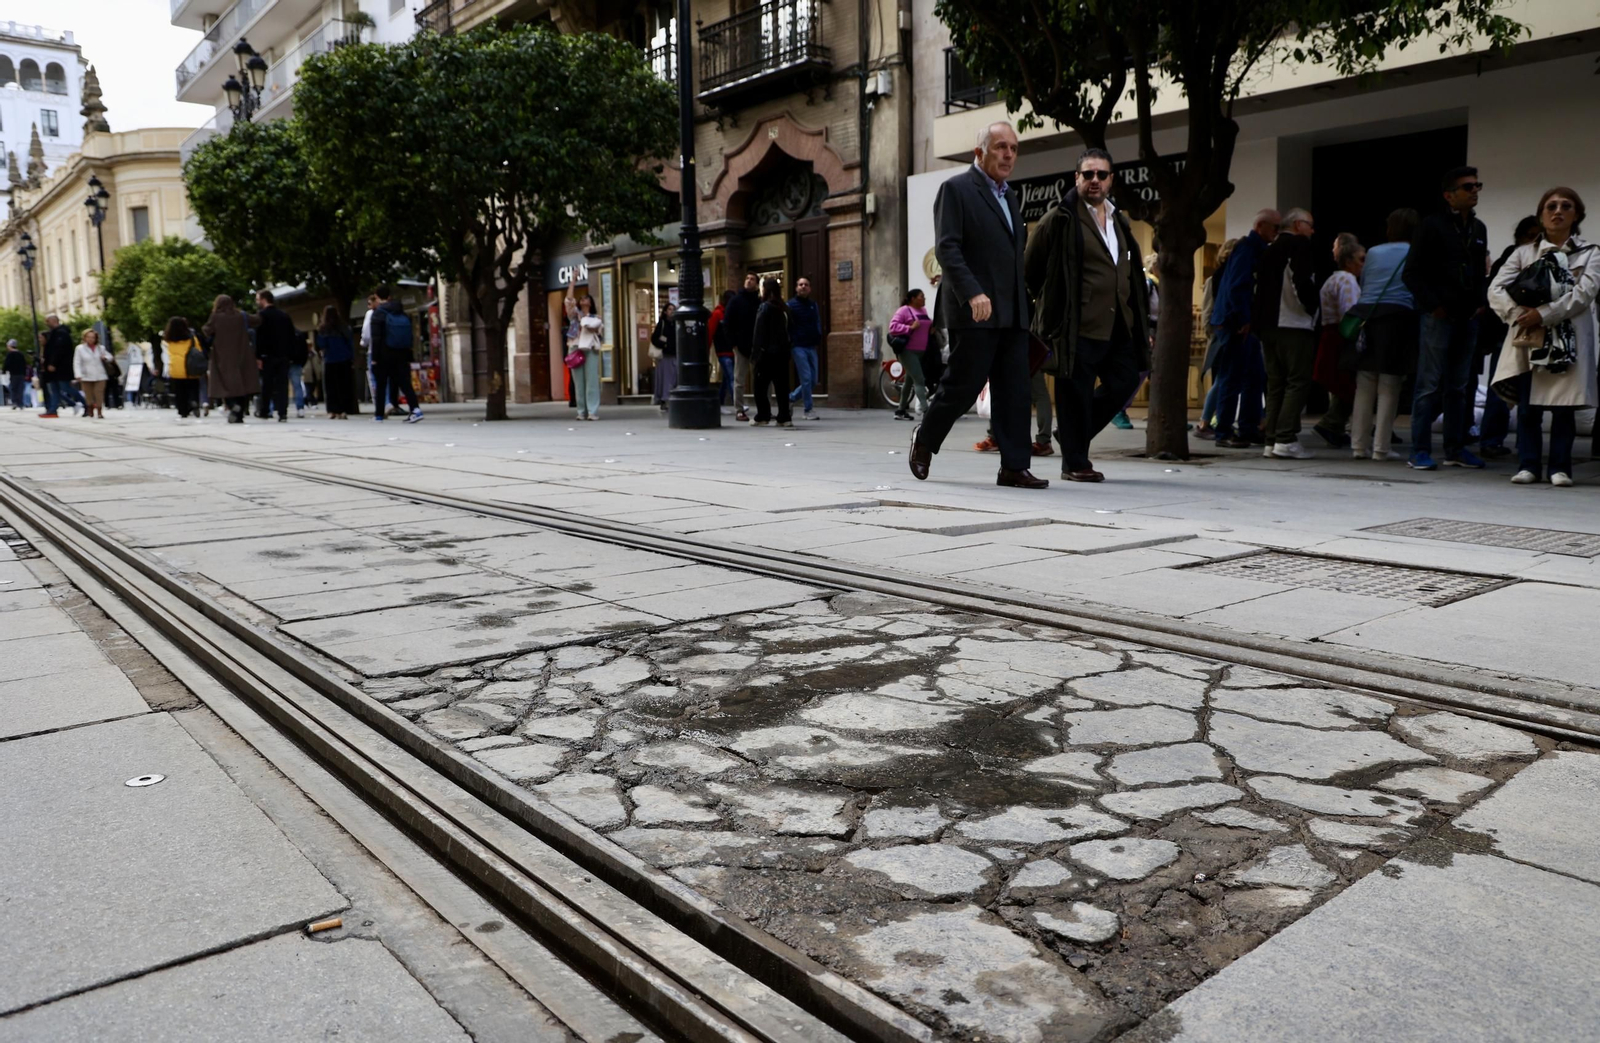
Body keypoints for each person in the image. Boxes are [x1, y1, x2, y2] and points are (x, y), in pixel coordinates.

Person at [911, 122, 1044, 488]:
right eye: (1000, 146)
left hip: (1012, 312)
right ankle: (925, 438)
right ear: (979, 152)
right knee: (963, 386)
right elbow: (947, 248)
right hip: (975, 309)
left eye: (1013, 148)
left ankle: (1014, 467)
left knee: (1015, 390)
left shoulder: (1010, 196)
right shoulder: (956, 189)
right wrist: (972, 292)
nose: (1008, 154)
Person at [1024, 146, 1150, 483]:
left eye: (1101, 174)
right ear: (1077, 178)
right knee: (1074, 393)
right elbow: (1031, 269)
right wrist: (1051, 307)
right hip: (1074, 323)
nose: (1095, 180)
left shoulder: (1120, 220)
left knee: (1126, 380)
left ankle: (1071, 435)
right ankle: (1075, 463)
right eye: (1088, 174)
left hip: (1118, 322)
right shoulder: (1060, 218)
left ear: (1111, 179)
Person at [1490, 187, 1597, 487]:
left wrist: (1544, 314)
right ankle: (1529, 465)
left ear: (1577, 215)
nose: (1557, 211)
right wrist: (1519, 315)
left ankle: (1560, 468)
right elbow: (1496, 289)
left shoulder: (1591, 253)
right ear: (1541, 215)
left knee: (1564, 407)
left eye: (1565, 206)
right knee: (1528, 405)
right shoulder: (1523, 253)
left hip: (1568, 338)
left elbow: (1585, 293)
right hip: (1530, 337)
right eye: (1551, 206)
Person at [1402, 166, 1489, 471]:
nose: (1474, 191)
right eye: (1467, 187)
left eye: (1477, 185)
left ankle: (1455, 448)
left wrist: (1481, 302)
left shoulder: (1478, 229)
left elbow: (1480, 271)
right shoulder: (1431, 226)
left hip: (1468, 316)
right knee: (1428, 385)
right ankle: (1419, 450)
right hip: (1438, 316)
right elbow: (1411, 273)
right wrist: (1433, 306)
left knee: (1459, 387)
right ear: (1449, 195)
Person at [1349, 209, 1421, 461]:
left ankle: (1358, 446)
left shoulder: (1373, 252)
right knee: (1390, 384)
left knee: (1364, 382)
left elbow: (1364, 284)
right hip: (1398, 318)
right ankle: (1381, 447)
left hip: (1367, 316)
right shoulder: (1414, 251)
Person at [1208, 211, 1279, 448]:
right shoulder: (1248, 249)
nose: (1277, 232)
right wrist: (1243, 319)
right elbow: (1237, 286)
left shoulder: (1252, 249)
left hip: (1238, 322)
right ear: (1261, 226)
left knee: (1252, 377)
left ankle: (1246, 427)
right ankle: (1224, 431)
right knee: (1233, 377)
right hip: (1236, 324)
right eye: (1274, 227)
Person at [1254, 207, 1321, 459]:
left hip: (1268, 326)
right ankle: (1285, 438)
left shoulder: (1268, 249)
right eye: (1309, 224)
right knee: (1297, 381)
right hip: (1293, 324)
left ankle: (1271, 440)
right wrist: (1313, 309)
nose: (1312, 230)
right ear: (1297, 225)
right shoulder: (1298, 245)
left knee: (1275, 384)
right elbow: (1302, 282)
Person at [1474, 215, 1542, 458]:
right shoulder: (1512, 258)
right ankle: (1492, 440)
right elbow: (1495, 295)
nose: (1534, 241)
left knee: (1526, 389)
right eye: (1530, 236)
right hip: (1507, 331)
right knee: (1502, 385)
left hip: (1528, 328)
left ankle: (1516, 442)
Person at [1313, 233, 1365, 447]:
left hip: (1331, 334)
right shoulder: (1347, 280)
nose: (1363, 264)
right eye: (1361, 259)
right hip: (1341, 336)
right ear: (1349, 260)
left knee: (1340, 383)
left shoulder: (1332, 279)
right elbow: (1349, 312)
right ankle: (1331, 423)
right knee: (1347, 383)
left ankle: (1335, 425)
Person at [1195, 238, 1239, 439]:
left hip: (1221, 333)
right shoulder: (1216, 279)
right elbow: (1207, 310)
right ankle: (1206, 421)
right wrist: (1212, 333)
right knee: (1222, 379)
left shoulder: (1222, 277)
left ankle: (1212, 420)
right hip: (1221, 334)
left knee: (1224, 379)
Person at [370, 285, 423, 423]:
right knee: (405, 383)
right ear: (389, 296)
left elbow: (376, 338)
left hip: (384, 353)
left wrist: (374, 358)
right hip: (401, 353)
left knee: (381, 384)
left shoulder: (378, 314)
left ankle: (379, 415)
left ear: (377, 296)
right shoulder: (401, 311)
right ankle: (415, 409)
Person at [203, 295, 261, 423]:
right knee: (242, 383)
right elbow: (257, 320)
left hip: (222, 354)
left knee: (224, 383)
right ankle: (239, 413)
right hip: (242, 353)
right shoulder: (241, 316)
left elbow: (207, 330)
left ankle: (232, 405)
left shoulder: (216, 316)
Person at [750, 276, 793, 427]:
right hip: (782, 353)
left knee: (760, 387)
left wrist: (756, 354)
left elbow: (759, 332)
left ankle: (763, 415)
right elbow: (790, 330)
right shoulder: (785, 308)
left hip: (766, 354)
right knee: (782, 387)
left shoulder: (765, 307)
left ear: (765, 290)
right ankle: (784, 417)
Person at [888, 289, 933, 419]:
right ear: (913, 299)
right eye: (921, 297)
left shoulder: (923, 311)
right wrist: (909, 328)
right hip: (908, 351)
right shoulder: (904, 310)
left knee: (909, 381)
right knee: (919, 380)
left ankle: (900, 411)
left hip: (921, 351)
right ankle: (927, 412)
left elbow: (925, 326)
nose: (924, 299)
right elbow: (893, 327)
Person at [252, 290, 295, 422]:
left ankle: (265, 410)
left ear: (263, 299)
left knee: (267, 385)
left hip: (267, 355)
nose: (257, 302)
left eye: (258, 299)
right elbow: (291, 336)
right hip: (283, 355)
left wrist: (258, 356)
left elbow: (259, 337)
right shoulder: (284, 316)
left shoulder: (261, 316)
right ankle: (282, 412)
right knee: (282, 385)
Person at [786, 276, 823, 420]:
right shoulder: (790, 305)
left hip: (811, 345)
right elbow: (787, 325)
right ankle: (808, 409)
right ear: (796, 288)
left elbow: (817, 321)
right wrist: (791, 341)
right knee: (806, 378)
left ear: (810, 288)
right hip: (798, 346)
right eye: (800, 284)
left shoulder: (813, 305)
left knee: (813, 380)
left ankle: (791, 398)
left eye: (806, 284)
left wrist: (818, 335)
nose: (803, 286)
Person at [724, 273, 760, 422]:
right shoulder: (736, 300)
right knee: (739, 379)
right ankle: (739, 409)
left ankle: (764, 408)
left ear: (757, 284)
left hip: (757, 346)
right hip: (740, 346)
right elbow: (727, 322)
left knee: (761, 378)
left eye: (752, 279)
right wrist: (733, 343)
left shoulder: (759, 301)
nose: (749, 281)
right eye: (747, 279)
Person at [564, 291, 604, 421]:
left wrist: (587, 321)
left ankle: (592, 411)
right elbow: (569, 300)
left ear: (590, 302)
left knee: (591, 380)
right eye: (581, 298)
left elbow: (598, 332)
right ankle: (581, 411)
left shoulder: (596, 317)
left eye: (586, 298)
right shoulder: (574, 314)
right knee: (578, 382)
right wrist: (573, 281)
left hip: (590, 347)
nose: (582, 300)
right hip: (576, 347)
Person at [161, 316, 205, 421]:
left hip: (176, 368)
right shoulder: (191, 338)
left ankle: (183, 410)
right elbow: (198, 350)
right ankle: (194, 401)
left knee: (180, 391)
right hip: (190, 367)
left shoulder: (168, 340)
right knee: (193, 387)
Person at [315, 306, 353, 420]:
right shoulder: (344, 327)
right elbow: (350, 343)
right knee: (343, 386)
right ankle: (343, 410)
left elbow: (321, 344)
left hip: (330, 359)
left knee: (330, 387)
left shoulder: (323, 329)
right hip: (344, 359)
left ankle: (332, 410)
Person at [37, 314, 76, 418]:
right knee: (55, 389)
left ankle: (85, 403)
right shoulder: (54, 333)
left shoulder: (61, 333)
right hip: (54, 367)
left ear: (53, 321)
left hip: (61, 366)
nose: (46, 323)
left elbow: (59, 350)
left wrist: (52, 363)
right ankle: (53, 410)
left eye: (47, 321)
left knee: (65, 387)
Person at [72, 329, 113, 419]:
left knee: (99, 393)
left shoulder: (100, 348)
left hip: (100, 374)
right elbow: (77, 362)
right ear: (85, 338)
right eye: (88, 337)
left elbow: (110, 357)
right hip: (86, 375)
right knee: (88, 394)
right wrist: (78, 374)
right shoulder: (80, 348)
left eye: (93, 337)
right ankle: (90, 409)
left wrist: (105, 357)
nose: (91, 339)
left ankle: (99, 411)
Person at [709, 289, 736, 413]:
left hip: (730, 350)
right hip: (724, 350)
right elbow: (711, 331)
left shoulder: (726, 314)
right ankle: (737, 403)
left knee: (727, 378)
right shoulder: (718, 314)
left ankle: (719, 402)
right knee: (731, 377)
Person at [650, 301, 677, 411]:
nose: (672, 311)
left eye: (673, 309)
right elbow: (654, 338)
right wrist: (664, 345)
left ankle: (669, 399)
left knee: (674, 378)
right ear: (665, 311)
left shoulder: (676, 323)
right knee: (666, 379)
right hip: (665, 356)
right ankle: (665, 400)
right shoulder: (662, 323)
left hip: (675, 355)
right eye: (670, 309)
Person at [288, 327, 310, 418]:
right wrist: (302, 363)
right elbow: (305, 350)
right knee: (297, 386)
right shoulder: (299, 334)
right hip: (297, 363)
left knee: (281, 386)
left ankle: (280, 409)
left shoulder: (282, 332)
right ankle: (300, 408)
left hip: (285, 362)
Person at [3, 339, 25, 409]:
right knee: (20, 388)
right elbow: (24, 364)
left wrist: (4, 370)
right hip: (21, 374)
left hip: (13, 374)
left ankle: (14, 402)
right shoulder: (21, 354)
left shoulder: (10, 354)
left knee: (13, 388)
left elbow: (7, 364)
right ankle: (20, 403)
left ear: (10, 346)